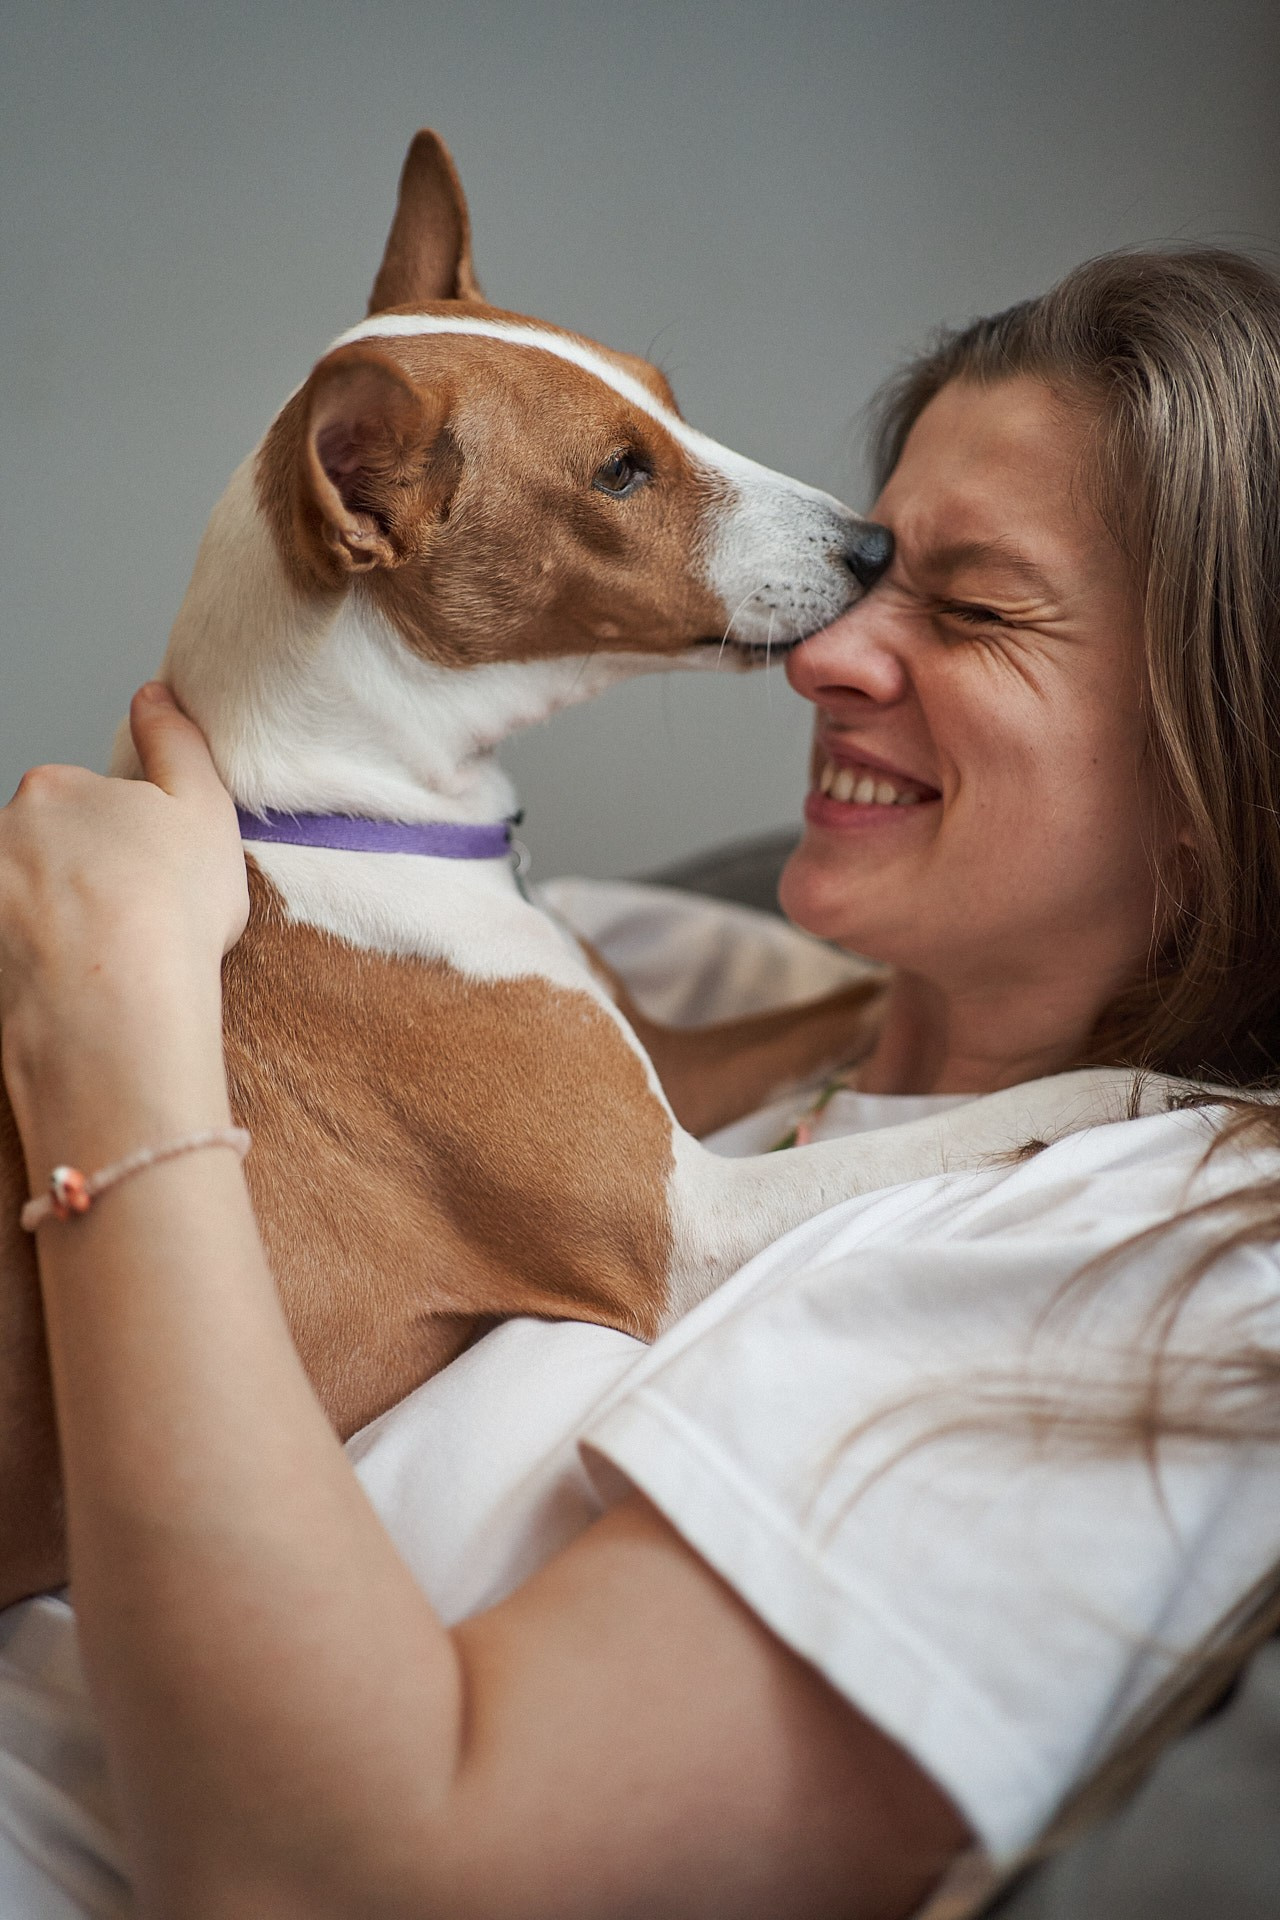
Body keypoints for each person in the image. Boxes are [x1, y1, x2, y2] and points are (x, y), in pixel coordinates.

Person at [1, 245, 1279, 1920]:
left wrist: (111, 1034)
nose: (831, 649)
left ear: (1219, 765)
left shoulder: (1182, 1248)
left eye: (969, 608)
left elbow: (326, 1882)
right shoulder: (663, 962)